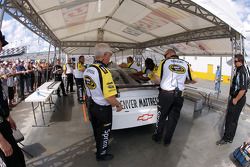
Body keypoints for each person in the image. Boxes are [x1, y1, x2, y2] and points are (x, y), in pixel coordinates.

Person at [83, 43, 122, 161]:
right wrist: (118, 104)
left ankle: (99, 146)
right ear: (104, 55)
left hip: (91, 105)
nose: (109, 58)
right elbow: (109, 97)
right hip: (102, 108)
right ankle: (102, 154)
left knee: (96, 130)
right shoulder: (104, 72)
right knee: (105, 132)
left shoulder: (88, 69)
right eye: (109, 55)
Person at [151, 49, 195, 146]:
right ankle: (167, 141)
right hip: (179, 95)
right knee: (173, 119)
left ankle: (158, 137)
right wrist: (183, 81)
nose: (164, 57)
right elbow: (194, 79)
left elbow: (157, 79)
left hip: (166, 94)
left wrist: (156, 79)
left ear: (169, 54)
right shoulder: (186, 64)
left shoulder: (164, 62)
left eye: (164, 55)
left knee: (161, 116)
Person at [0, 30, 26, 166]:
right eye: (0, 43)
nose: (2, 48)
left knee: (19, 160)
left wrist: (8, 116)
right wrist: (1, 140)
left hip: (3, 124)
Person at [216, 54, 248, 145]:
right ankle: (229, 138)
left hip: (238, 99)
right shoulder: (238, 70)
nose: (234, 63)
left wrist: (236, 99)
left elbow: (243, 89)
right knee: (232, 119)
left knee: (231, 119)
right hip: (236, 98)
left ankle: (226, 139)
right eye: (234, 61)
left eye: (235, 61)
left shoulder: (242, 72)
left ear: (240, 61)